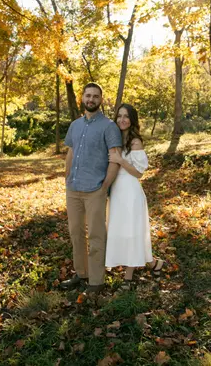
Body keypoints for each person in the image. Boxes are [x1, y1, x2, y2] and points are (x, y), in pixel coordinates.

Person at [61, 83, 122, 294]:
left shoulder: (108, 127)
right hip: (74, 188)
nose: (91, 99)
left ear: (101, 100)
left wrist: (105, 185)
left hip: (95, 189)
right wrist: (67, 176)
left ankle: (96, 281)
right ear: (82, 98)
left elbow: (115, 158)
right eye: (88, 95)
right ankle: (81, 273)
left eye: (96, 96)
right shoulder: (75, 125)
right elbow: (71, 151)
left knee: (96, 235)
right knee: (75, 233)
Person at [105, 103, 165, 290]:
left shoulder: (135, 141)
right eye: (119, 116)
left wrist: (121, 160)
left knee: (131, 233)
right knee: (122, 232)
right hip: (116, 192)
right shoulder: (116, 138)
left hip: (130, 192)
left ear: (132, 120)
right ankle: (154, 263)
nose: (122, 120)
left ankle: (128, 279)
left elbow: (139, 173)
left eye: (126, 116)